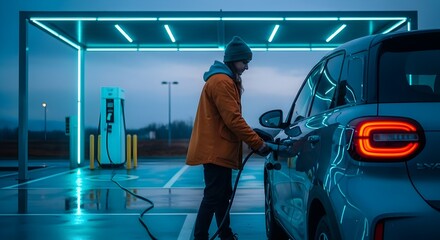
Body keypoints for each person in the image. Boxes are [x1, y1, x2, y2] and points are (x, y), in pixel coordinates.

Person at [186, 36, 270, 240]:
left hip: (218, 149)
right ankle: (200, 236)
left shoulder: (224, 80)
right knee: (214, 196)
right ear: (233, 60)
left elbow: (231, 119)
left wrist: (253, 135)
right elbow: (233, 119)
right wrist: (257, 143)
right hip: (215, 150)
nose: (246, 68)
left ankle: (225, 234)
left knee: (221, 196)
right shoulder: (222, 82)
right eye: (244, 62)